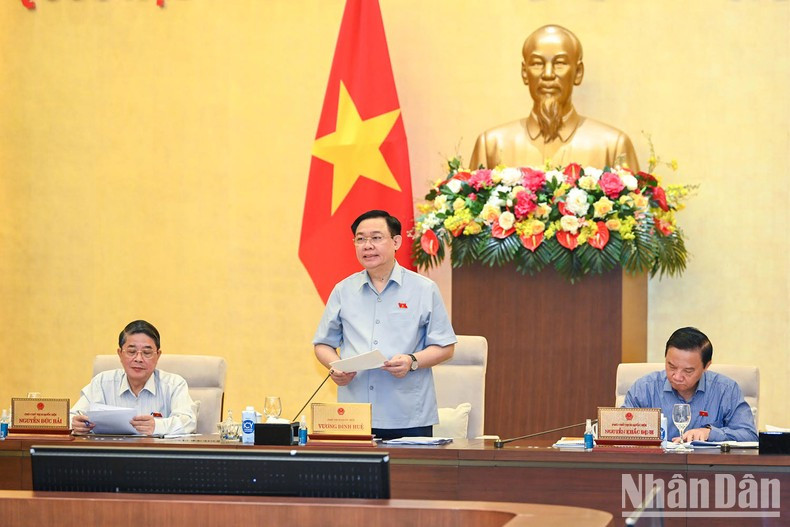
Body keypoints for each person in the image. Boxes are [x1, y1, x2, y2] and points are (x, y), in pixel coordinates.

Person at [313, 210, 457, 440]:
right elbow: (322, 344)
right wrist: (335, 366)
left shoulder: (423, 289)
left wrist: (412, 361)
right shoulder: (343, 290)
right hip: (353, 416)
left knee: (410, 477)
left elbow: (445, 347)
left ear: (396, 241)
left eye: (376, 238)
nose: (367, 246)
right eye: (360, 239)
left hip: (408, 414)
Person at [469, 24, 639, 171]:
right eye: (537, 63)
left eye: (560, 63)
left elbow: (636, 207)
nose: (548, 74)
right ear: (524, 72)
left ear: (578, 73)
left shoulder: (612, 146)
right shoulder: (491, 145)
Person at [623, 327, 758, 443]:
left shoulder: (726, 390)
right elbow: (620, 431)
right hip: (654, 469)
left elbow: (749, 436)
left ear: (706, 366)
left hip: (708, 469)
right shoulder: (644, 388)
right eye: (671, 366)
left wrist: (710, 434)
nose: (677, 376)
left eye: (688, 371)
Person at [70, 320, 197, 436]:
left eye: (147, 353)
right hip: (112, 456)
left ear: (158, 355)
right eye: (131, 352)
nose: (138, 359)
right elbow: (71, 417)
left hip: (157, 457)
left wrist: (157, 426)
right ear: (120, 354)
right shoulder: (102, 383)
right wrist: (76, 424)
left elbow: (188, 422)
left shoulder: (174, 384)